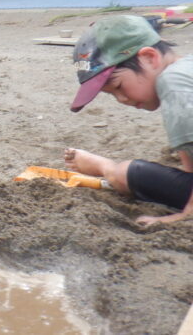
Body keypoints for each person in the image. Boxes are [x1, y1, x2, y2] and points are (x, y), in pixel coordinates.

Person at [66, 14, 193, 227]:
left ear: (149, 58)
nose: (122, 99)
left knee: (126, 173)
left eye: (118, 87)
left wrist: (185, 216)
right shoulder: (185, 69)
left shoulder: (174, 84)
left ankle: (106, 167)